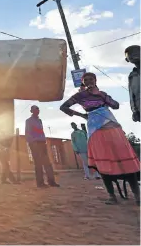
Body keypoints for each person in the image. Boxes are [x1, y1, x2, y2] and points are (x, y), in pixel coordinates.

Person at [60, 72, 140, 205]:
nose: (89, 81)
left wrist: (100, 95)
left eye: (91, 79)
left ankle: (138, 197)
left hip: (112, 126)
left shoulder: (101, 94)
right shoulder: (80, 96)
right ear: (83, 83)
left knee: (125, 159)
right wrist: (83, 115)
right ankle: (111, 196)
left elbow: (116, 105)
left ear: (95, 80)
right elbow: (64, 107)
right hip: (95, 129)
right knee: (102, 161)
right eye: (86, 80)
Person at [25, 105, 60, 188]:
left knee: (47, 163)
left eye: (38, 109)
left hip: (42, 143)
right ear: (31, 111)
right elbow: (28, 133)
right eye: (35, 109)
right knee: (38, 164)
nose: (37, 110)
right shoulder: (29, 121)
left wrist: (44, 141)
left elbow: (41, 131)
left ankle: (51, 182)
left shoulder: (39, 120)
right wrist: (31, 144)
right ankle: (40, 183)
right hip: (35, 143)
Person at [125, 45, 140, 122]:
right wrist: (135, 111)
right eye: (130, 54)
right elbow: (132, 95)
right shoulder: (132, 76)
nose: (134, 55)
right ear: (127, 59)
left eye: (137, 52)